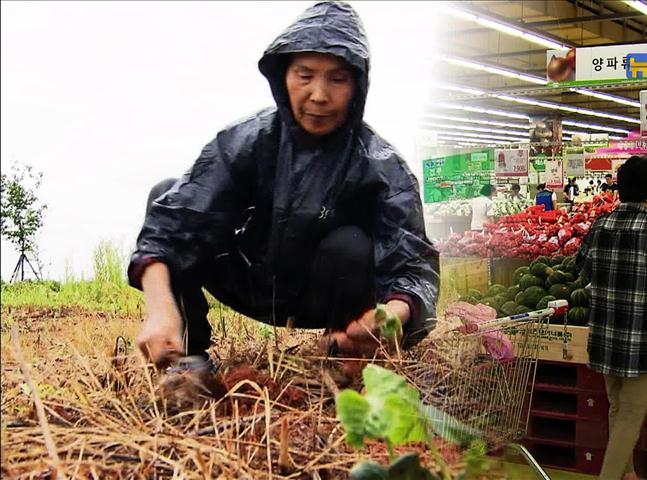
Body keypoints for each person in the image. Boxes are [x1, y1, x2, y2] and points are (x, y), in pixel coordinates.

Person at [130, 2, 439, 369]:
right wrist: (161, 306)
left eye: (337, 79)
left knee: (352, 246)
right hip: (249, 280)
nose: (319, 95)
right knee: (166, 192)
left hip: (320, 299)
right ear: (282, 76)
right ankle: (186, 359)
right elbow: (175, 223)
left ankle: (341, 357)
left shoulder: (380, 164)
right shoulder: (247, 141)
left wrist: (392, 316)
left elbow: (413, 264)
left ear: (358, 84)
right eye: (305, 75)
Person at [576, 155, 647, 480]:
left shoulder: (600, 225)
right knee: (631, 415)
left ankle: (628, 474)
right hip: (640, 341)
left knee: (617, 408)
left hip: (604, 337)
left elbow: (580, 271)